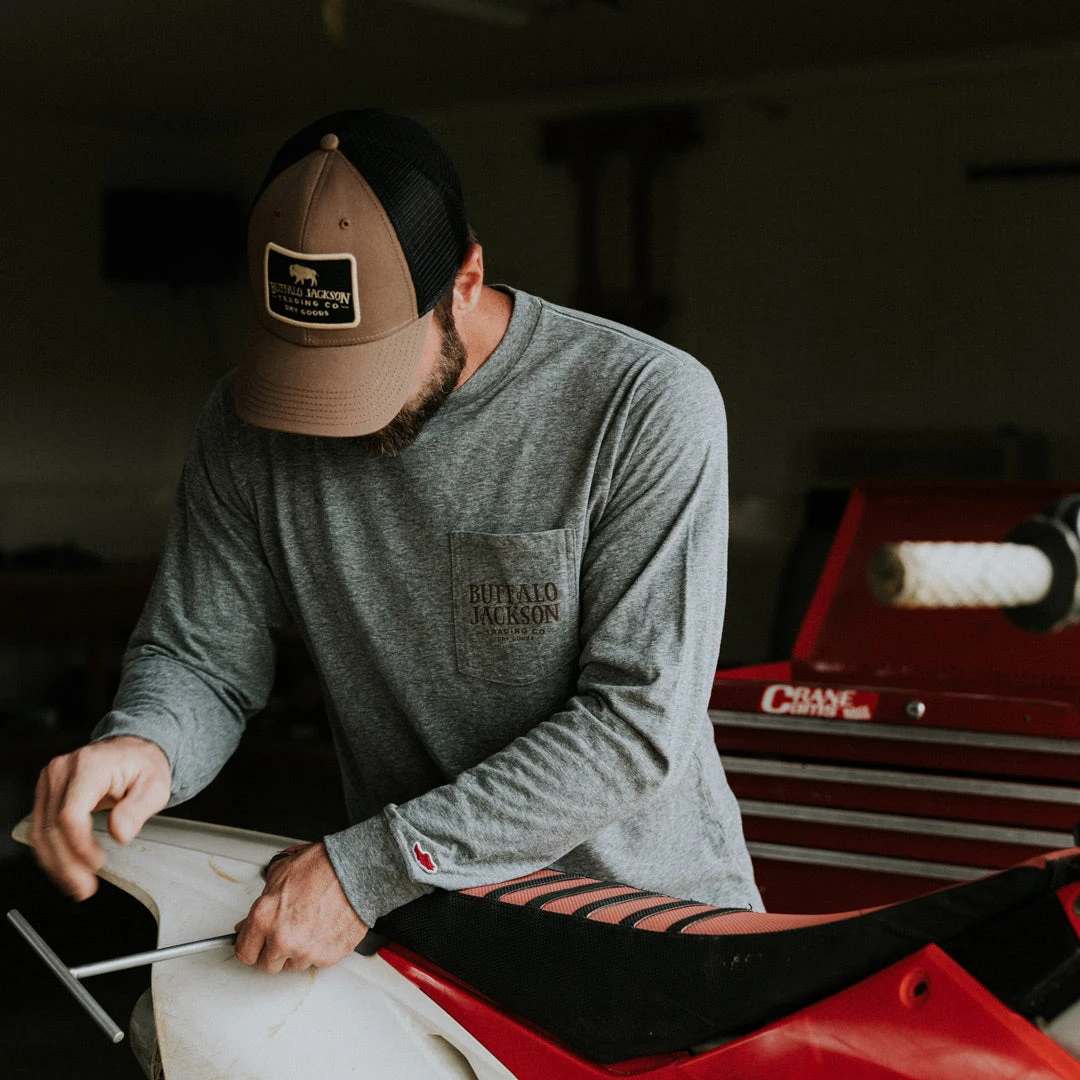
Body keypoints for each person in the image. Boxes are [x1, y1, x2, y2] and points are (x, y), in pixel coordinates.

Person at [29, 108, 761, 976]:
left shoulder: (642, 404)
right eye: (308, 369)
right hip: (422, 928)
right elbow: (200, 658)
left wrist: (368, 867)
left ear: (465, 279)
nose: (332, 414)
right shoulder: (244, 425)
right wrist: (146, 743)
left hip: (649, 935)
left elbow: (634, 724)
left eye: (369, 362)